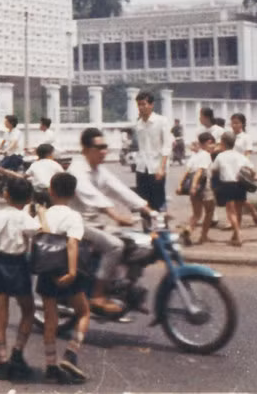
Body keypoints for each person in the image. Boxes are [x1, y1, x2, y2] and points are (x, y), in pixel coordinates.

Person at [69, 127, 152, 316]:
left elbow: (120, 190)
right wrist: (117, 216)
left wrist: (149, 210)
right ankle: (97, 295)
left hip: (94, 223)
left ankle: (126, 289)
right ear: (85, 149)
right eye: (99, 147)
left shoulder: (99, 170)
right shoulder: (77, 170)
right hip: (77, 224)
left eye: (105, 147)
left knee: (140, 243)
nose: (104, 151)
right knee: (114, 246)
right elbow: (93, 196)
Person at [34, 172, 90, 385]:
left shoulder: (44, 214)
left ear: (51, 191)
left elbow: (42, 237)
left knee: (50, 320)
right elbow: (72, 243)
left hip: (47, 272)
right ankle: (71, 353)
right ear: (73, 193)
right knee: (83, 312)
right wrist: (73, 272)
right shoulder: (74, 216)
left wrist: (40, 217)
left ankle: (50, 366)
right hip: (68, 270)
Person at [0, 176, 40, 381]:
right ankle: (17, 352)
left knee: (1, 315)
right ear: (28, 199)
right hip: (18, 266)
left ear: (6, 195)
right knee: (28, 310)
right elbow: (38, 232)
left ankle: (2, 361)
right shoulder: (26, 218)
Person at [133, 91, 171, 212]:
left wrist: (162, 168)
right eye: (139, 104)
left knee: (158, 202)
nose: (141, 107)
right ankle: (147, 230)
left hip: (156, 168)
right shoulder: (138, 124)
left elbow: (166, 146)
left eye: (144, 104)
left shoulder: (162, 121)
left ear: (151, 105)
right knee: (143, 203)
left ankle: (161, 229)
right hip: (141, 168)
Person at [212, 132, 249, 247]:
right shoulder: (240, 155)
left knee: (230, 212)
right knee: (238, 211)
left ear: (222, 143)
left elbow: (213, 170)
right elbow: (250, 168)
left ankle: (238, 234)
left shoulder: (221, 156)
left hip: (228, 184)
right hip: (241, 184)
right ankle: (235, 234)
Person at [181, 132, 216, 245]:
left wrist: (180, 185)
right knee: (209, 211)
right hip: (204, 187)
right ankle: (203, 236)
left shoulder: (194, 156)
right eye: (213, 144)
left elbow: (187, 172)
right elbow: (200, 172)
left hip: (193, 188)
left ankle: (188, 229)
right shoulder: (205, 155)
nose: (214, 147)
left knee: (196, 214)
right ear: (208, 142)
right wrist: (194, 186)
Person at [230, 113, 257, 227]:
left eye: (237, 122)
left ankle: (237, 225)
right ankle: (253, 212)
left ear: (242, 123)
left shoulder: (246, 137)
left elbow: (247, 154)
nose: (234, 125)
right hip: (229, 169)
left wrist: (242, 166)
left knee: (239, 198)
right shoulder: (229, 136)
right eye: (232, 122)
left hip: (241, 170)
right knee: (235, 198)